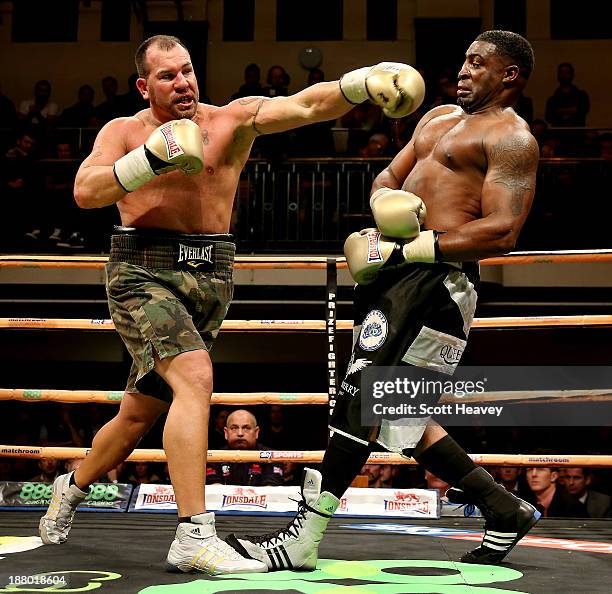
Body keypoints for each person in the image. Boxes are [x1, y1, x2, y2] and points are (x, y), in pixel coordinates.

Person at [37, 34, 424, 575]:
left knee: (137, 414)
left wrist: (361, 83)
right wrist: (148, 160)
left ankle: (70, 487)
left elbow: (307, 104)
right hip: (142, 271)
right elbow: (85, 190)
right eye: (168, 76)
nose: (183, 83)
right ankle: (194, 533)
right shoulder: (123, 132)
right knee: (195, 378)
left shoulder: (231, 121)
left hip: (211, 274)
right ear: (144, 86)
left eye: (188, 70)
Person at [228, 30, 542, 571]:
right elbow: (387, 177)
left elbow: (504, 229)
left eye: (478, 63)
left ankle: (304, 535)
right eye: (463, 60)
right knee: (398, 414)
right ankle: (504, 510)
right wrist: (385, 218)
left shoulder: (513, 140)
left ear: (509, 74)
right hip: (396, 273)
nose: (462, 70)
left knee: (362, 394)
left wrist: (418, 245)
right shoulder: (437, 117)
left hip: (437, 282)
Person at [206, 409, 284, 486]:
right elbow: (214, 489)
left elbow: (270, 490)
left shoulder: (272, 457)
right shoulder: (214, 458)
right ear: (226, 433)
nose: (240, 433)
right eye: (234, 428)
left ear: (256, 432)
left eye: (246, 428)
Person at [545, 62, 589, 127]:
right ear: (558, 75)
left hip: (577, 134)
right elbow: (549, 117)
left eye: (567, 73)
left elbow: (583, 110)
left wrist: (560, 111)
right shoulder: (553, 99)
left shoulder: (581, 96)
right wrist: (572, 110)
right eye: (561, 73)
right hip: (558, 134)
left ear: (572, 75)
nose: (564, 75)